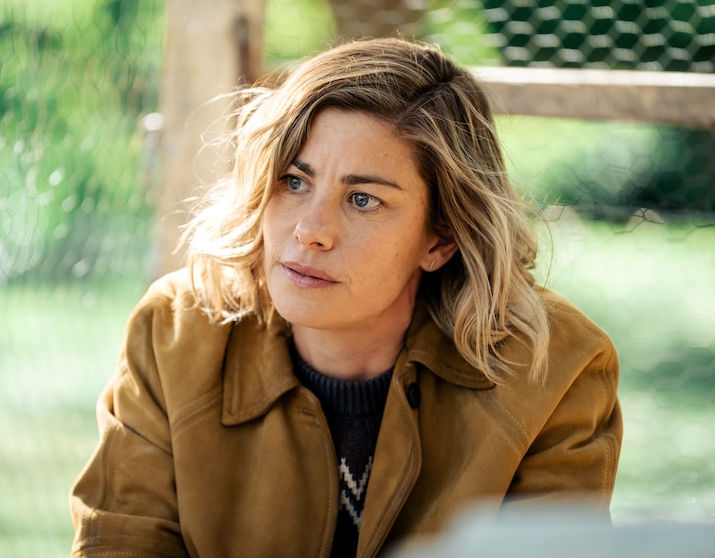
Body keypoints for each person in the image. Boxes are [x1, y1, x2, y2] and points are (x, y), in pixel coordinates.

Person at [69, 37, 622, 558]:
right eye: (293, 181)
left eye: (362, 200)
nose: (311, 230)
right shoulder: (175, 333)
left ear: (441, 237)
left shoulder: (556, 368)